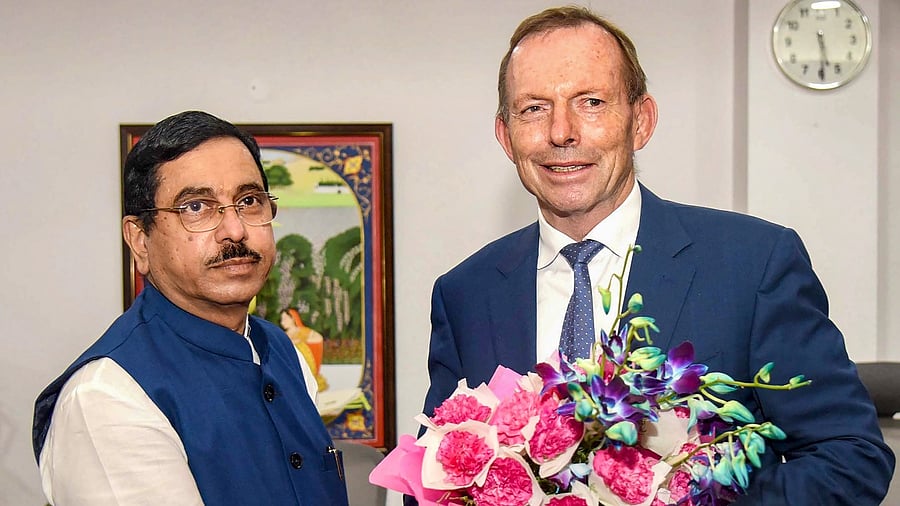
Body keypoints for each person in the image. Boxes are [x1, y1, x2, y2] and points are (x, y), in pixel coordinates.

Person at [419, 6, 894, 504]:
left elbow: (850, 458)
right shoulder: (466, 294)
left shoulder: (753, 265)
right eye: (534, 108)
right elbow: (432, 477)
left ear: (641, 121)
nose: (561, 131)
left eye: (591, 102)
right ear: (506, 136)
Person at [32, 111, 349, 505]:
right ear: (140, 241)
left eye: (249, 201)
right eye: (196, 207)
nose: (234, 230)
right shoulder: (109, 396)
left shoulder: (284, 353)